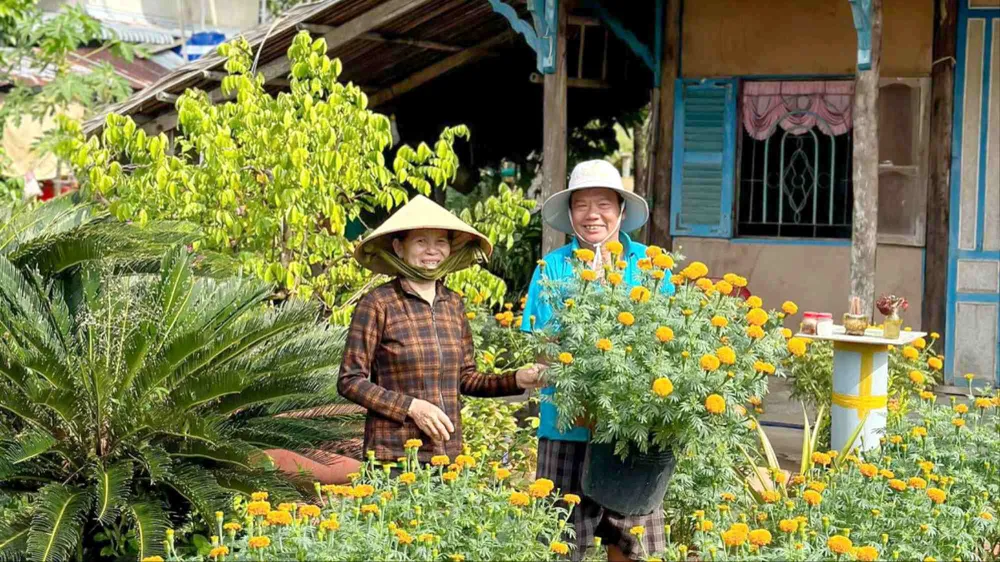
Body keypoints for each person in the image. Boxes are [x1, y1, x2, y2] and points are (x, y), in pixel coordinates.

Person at [521, 160, 676, 561]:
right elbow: (542, 345)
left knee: (634, 543)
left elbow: (670, 344)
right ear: (570, 213)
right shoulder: (551, 268)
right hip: (566, 423)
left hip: (633, 427)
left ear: (621, 211)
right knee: (561, 539)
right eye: (582, 205)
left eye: (604, 204)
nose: (593, 215)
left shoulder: (650, 265)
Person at [338, 195, 547, 466]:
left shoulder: (453, 304)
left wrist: (518, 379)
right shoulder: (378, 303)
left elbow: (467, 378)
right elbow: (350, 380)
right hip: (393, 456)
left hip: (446, 456)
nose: (431, 250)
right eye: (421, 241)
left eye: (440, 242)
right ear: (399, 247)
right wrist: (411, 407)